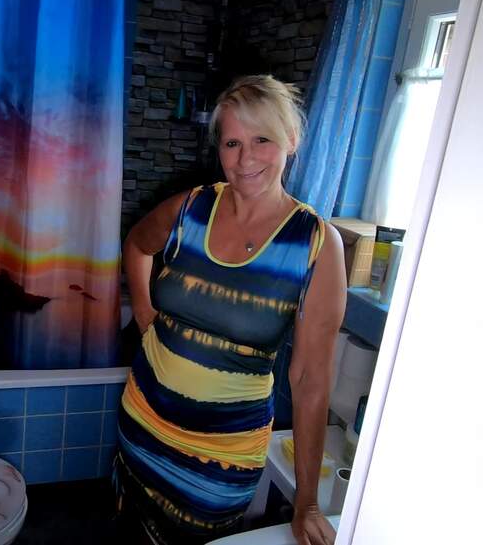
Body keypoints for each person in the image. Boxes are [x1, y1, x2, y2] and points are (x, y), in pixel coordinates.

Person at [114, 75, 347, 545]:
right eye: (232, 143)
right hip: (141, 423)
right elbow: (137, 243)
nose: (245, 159)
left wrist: (306, 503)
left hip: (220, 459)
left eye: (262, 140)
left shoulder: (316, 245)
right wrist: (143, 312)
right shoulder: (191, 208)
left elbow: (309, 380)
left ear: (291, 140)